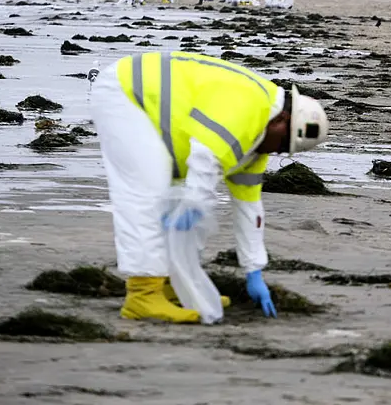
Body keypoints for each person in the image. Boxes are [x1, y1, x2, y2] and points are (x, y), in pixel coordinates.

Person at [89, 51, 330, 323]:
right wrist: (194, 202)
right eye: (283, 146)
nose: (277, 153)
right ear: (282, 121)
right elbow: (205, 156)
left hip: (153, 111)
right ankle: (143, 295)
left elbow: (249, 207)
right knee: (147, 193)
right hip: (126, 93)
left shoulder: (256, 143)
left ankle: (168, 284)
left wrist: (254, 270)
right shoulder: (249, 107)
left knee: (177, 199)